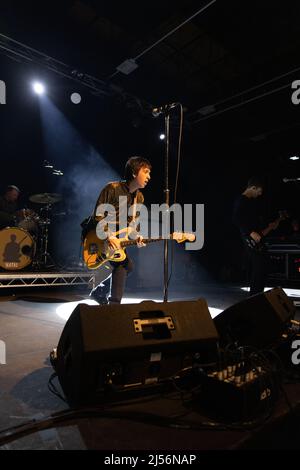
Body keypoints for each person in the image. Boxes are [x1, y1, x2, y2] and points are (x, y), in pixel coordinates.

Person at [89, 156, 151, 304]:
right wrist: (109, 236)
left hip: (118, 240)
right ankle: (114, 304)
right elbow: (97, 216)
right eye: (146, 172)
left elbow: (132, 225)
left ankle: (99, 293)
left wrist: (138, 237)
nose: (149, 176)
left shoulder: (139, 197)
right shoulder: (112, 188)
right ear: (135, 173)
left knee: (128, 266)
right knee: (124, 264)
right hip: (100, 235)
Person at [232, 176, 279, 296]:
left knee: (263, 265)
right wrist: (250, 232)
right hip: (249, 237)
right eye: (258, 191)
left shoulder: (251, 202)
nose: (259, 194)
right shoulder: (241, 200)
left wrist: (268, 227)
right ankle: (254, 296)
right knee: (259, 266)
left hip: (255, 237)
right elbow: (236, 218)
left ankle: (258, 295)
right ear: (253, 188)